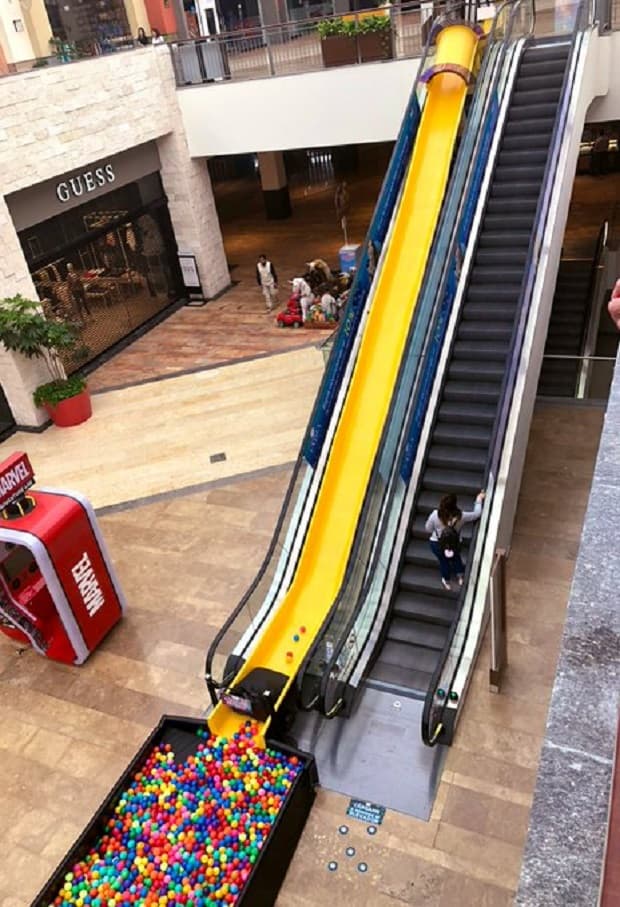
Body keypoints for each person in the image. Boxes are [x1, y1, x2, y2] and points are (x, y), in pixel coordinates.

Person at [425, 491, 485, 591]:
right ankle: (460, 577)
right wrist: (479, 499)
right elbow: (477, 514)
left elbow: (428, 529)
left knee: (443, 561)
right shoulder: (461, 516)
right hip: (454, 544)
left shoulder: (435, 515)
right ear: (455, 505)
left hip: (437, 544)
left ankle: (446, 581)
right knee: (456, 558)